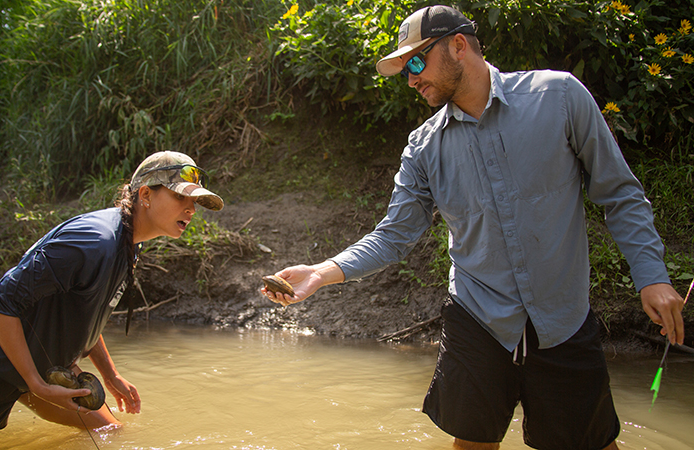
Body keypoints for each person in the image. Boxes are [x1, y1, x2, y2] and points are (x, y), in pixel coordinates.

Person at [262, 5, 686, 450]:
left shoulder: (559, 97)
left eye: (416, 62)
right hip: (478, 318)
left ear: (458, 46)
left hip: (562, 317)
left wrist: (652, 276)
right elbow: (394, 234)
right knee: (472, 445)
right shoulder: (423, 148)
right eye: (405, 68)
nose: (410, 78)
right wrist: (322, 272)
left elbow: (619, 193)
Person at [0, 151, 224, 449]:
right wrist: (35, 384)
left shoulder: (129, 244)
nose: (191, 209)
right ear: (146, 194)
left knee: (109, 430)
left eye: (194, 201)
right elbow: (0, 304)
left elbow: (86, 314)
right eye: (180, 197)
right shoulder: (92, 242)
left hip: (40, 366)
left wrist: (110, 374)